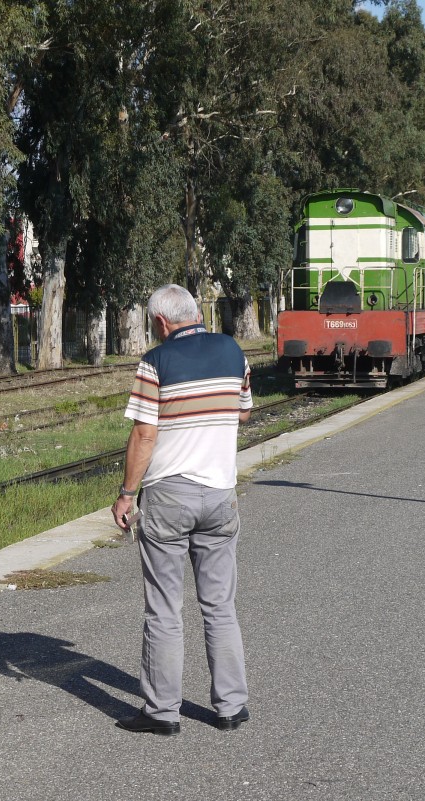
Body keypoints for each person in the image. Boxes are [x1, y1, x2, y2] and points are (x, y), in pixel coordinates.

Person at [111, 284, 253, 736]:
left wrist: (127, 493)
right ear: (195, 313)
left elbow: (144, 435)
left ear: (160, 322)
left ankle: (162, 713)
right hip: (220, 494)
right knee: (219, 606)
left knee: (164, 609)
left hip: (169, 497)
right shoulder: (232, 351)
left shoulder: (155, 363)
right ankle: (231, 708)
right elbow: (243, 413)